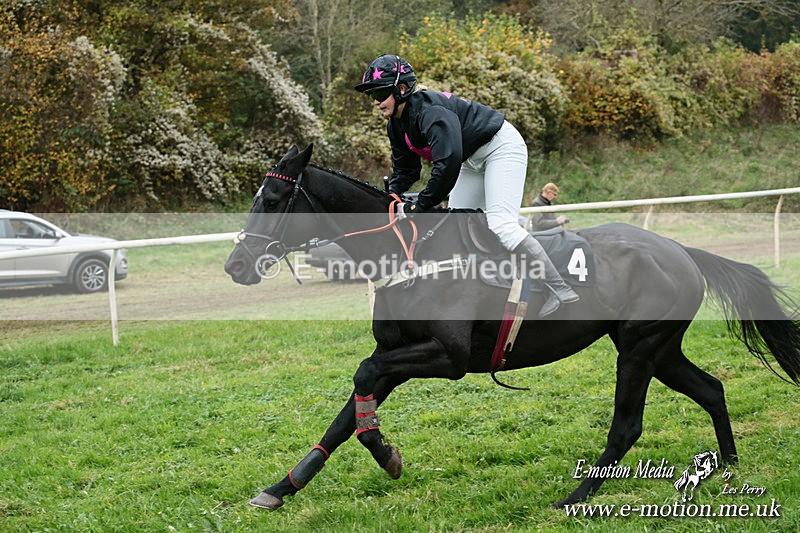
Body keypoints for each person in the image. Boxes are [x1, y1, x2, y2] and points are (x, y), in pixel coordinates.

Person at [354, 54, 578, 317]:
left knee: (501, 225)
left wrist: (421, 203)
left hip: (500, 147)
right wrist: (390, 196)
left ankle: (560, 289)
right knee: (454, 226)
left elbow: (447, 165)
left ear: (402, 89)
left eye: (380, 93)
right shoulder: (396, 124)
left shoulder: (430, 112)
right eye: (372, 96)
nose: (376, 102)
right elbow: (406, 170)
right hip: (471, 160)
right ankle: (477, 291)